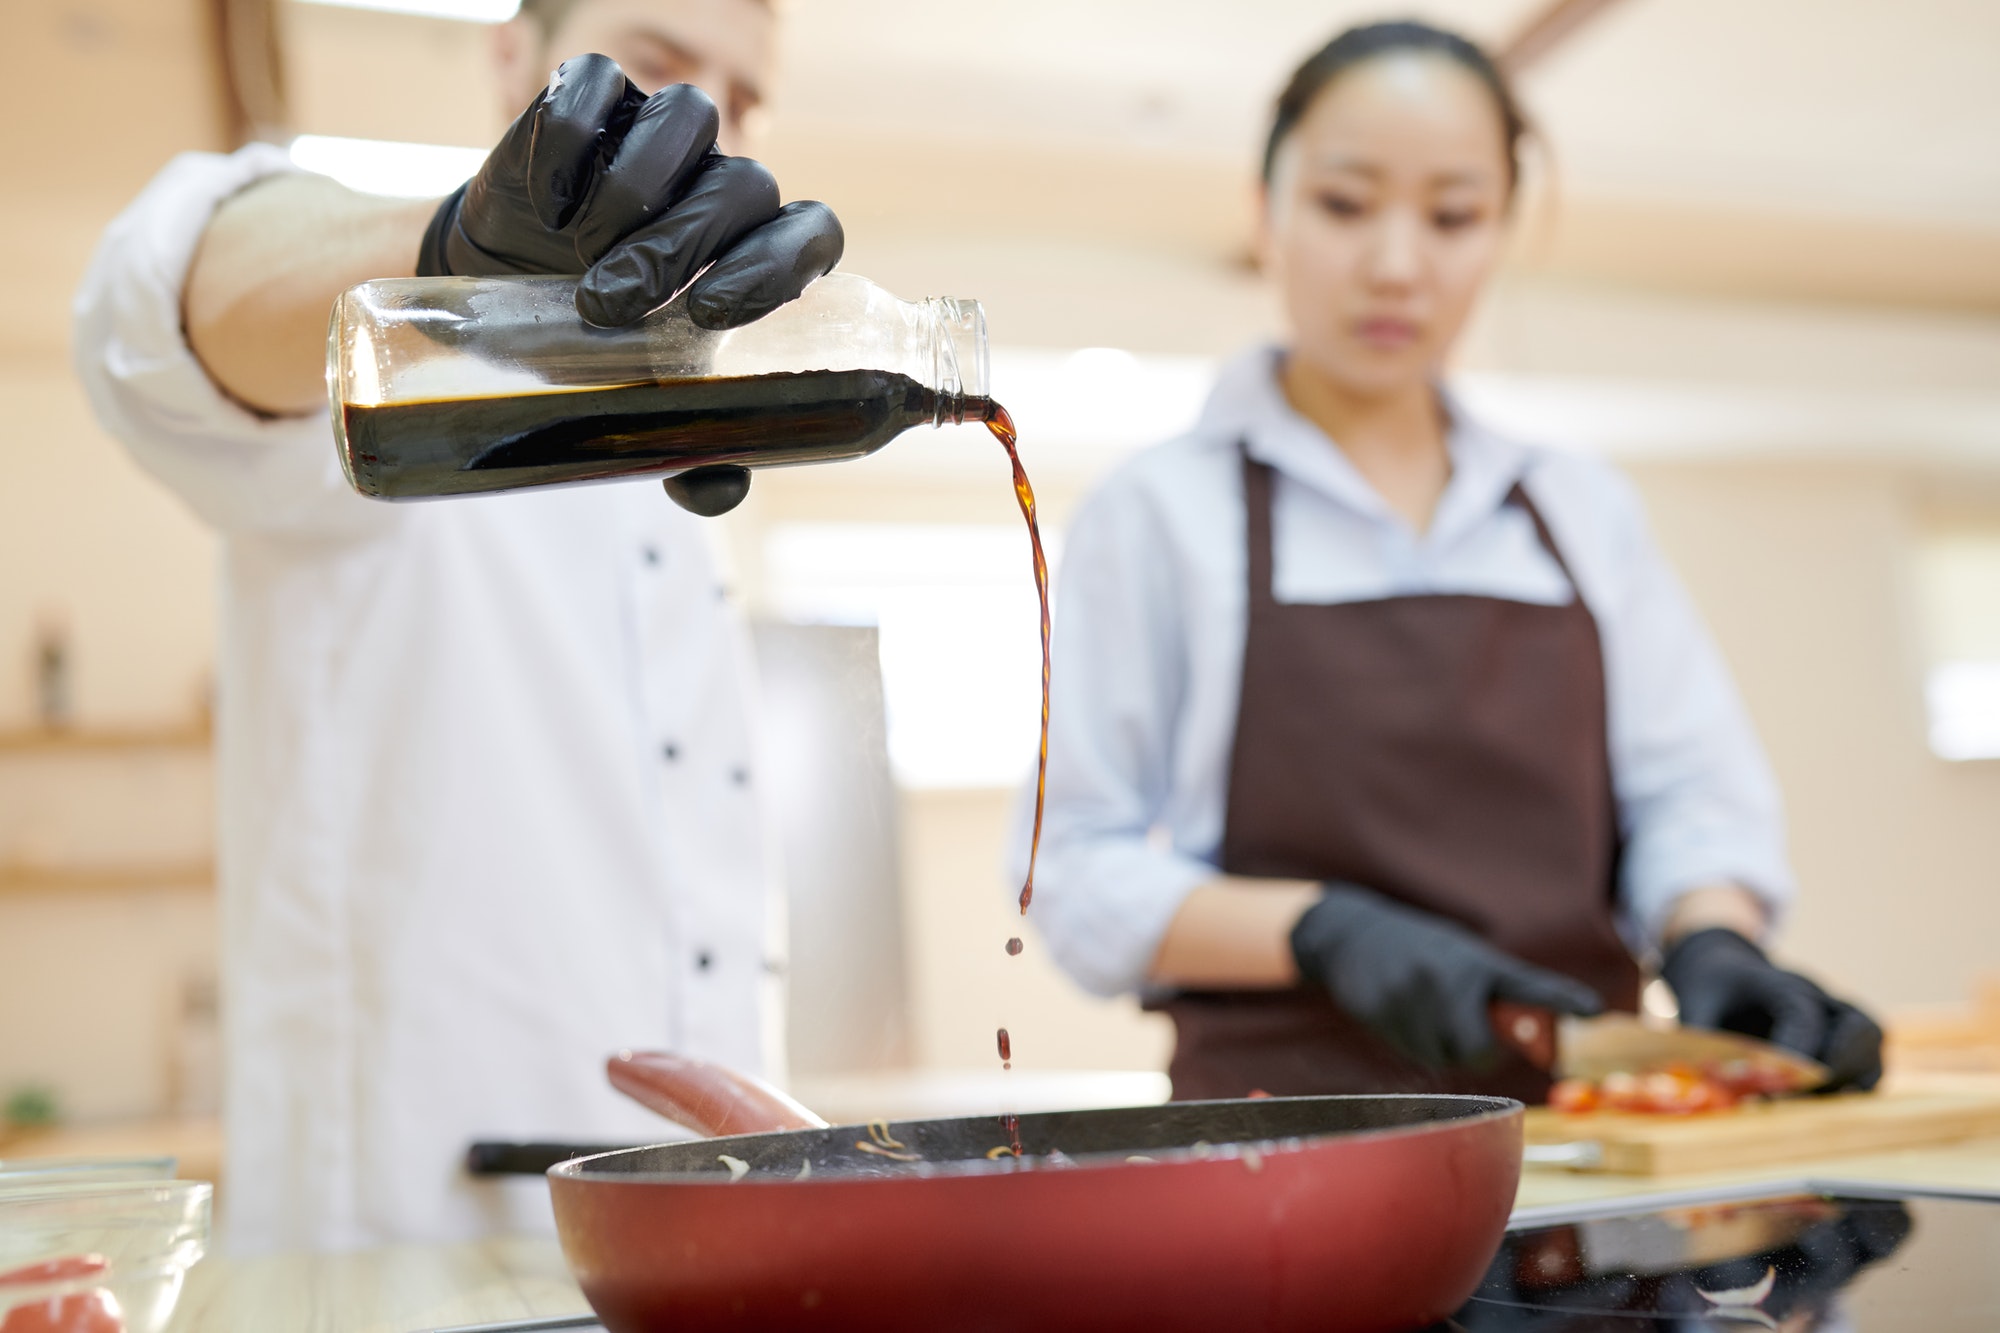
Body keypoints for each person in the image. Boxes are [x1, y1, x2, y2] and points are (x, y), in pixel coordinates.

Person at [74, 0, 841, 1251]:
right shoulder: (386, 349)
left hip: (696, 1236)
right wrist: (449, 250)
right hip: (408, 1232)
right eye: (656, 69)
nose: (703, 130)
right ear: (507, 58)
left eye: (742, 104)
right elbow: (158, 313)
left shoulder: (695, 417)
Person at [1011, 21, 1882, 1104]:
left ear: (1503, 228)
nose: (1395, 264)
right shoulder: (1160, 512)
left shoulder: (1577, 506)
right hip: (1283, 1149)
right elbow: (1069, 869)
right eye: (1342, 204)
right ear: (1262, 210)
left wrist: (1714, 941)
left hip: (1585, 1141)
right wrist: (1319, 931)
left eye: (1453, 216)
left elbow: (1690, 798)